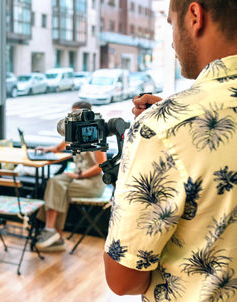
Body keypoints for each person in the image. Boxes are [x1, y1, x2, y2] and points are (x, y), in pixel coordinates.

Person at [103, 1, 237, 301]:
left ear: (194, 16)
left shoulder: (162, 129)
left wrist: (158, 136)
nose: (172, 40)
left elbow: (123, 279)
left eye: (170, 24)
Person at [35, 101, 107, 252]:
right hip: (77, 177)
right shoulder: (74, 132)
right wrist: (46, 149)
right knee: (55, 184)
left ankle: (52, 233)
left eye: (76, 115)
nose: (72, 119)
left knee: (58, 189)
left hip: (92, 183)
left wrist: (79, 175)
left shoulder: (94, 135)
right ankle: (54, 235)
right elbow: (59, 147)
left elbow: (101, 166)